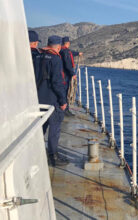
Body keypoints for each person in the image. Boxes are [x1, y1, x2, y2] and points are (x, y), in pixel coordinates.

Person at [37, 35, 69, 166]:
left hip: (38, 98)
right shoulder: (56, 60)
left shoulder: (37, 57)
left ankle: (37, 151)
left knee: (41, 127)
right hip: (52, 99)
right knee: (54, 128)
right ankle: (53, 156)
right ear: (59, 47)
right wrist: (63, 100)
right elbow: (57, 82)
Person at [60, 36, 83, 116]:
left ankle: (63, 107)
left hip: (61, 74)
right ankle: (65, 110)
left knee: (63, 91)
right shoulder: (65, 52)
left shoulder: (61, 50)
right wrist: (72, 74)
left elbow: (71, 53)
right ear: (68, 43)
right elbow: (67, 64)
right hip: (65, 75)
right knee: (65, 91)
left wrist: (77, 53)